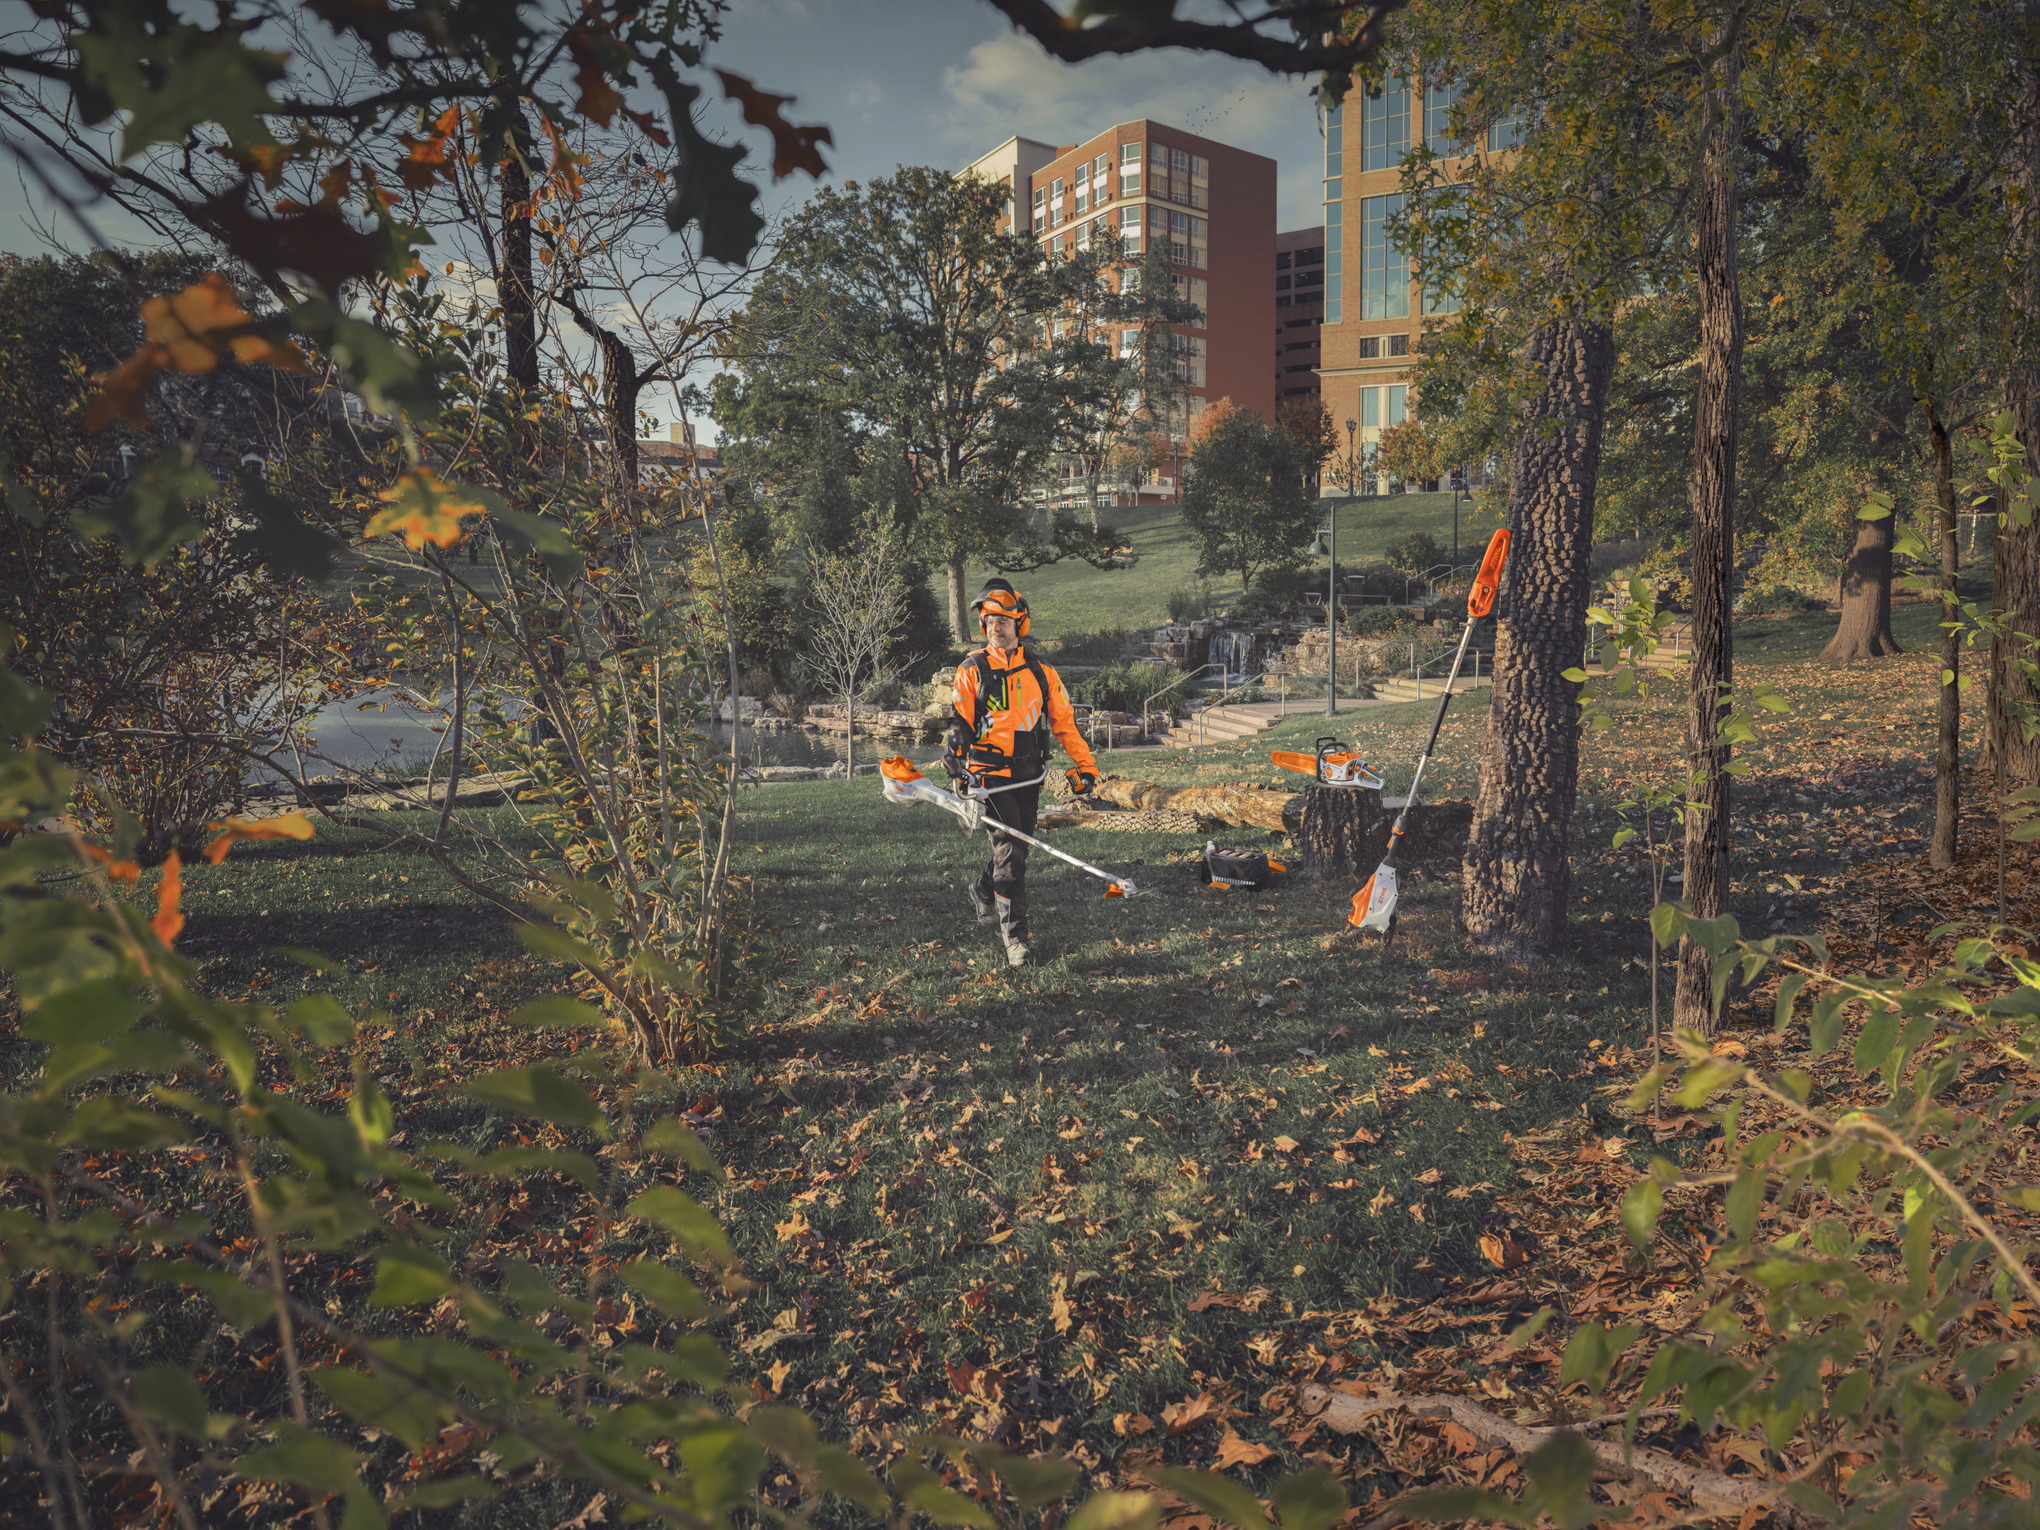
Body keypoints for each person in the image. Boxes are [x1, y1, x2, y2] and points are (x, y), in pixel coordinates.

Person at [944, 579, 1099, 967]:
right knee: (1011, 852)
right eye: (989, 620)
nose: (995, 626)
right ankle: (1015, 939)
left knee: (1017, 846)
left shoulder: (1041, 672)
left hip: (1030, 774)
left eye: (1003, 620)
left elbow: (1065, 724)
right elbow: (961, 721)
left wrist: (1086, 766)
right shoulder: (972, 669)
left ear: (1019, 624)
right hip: (987, 775)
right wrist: (955, 755)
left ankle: (983, 889)